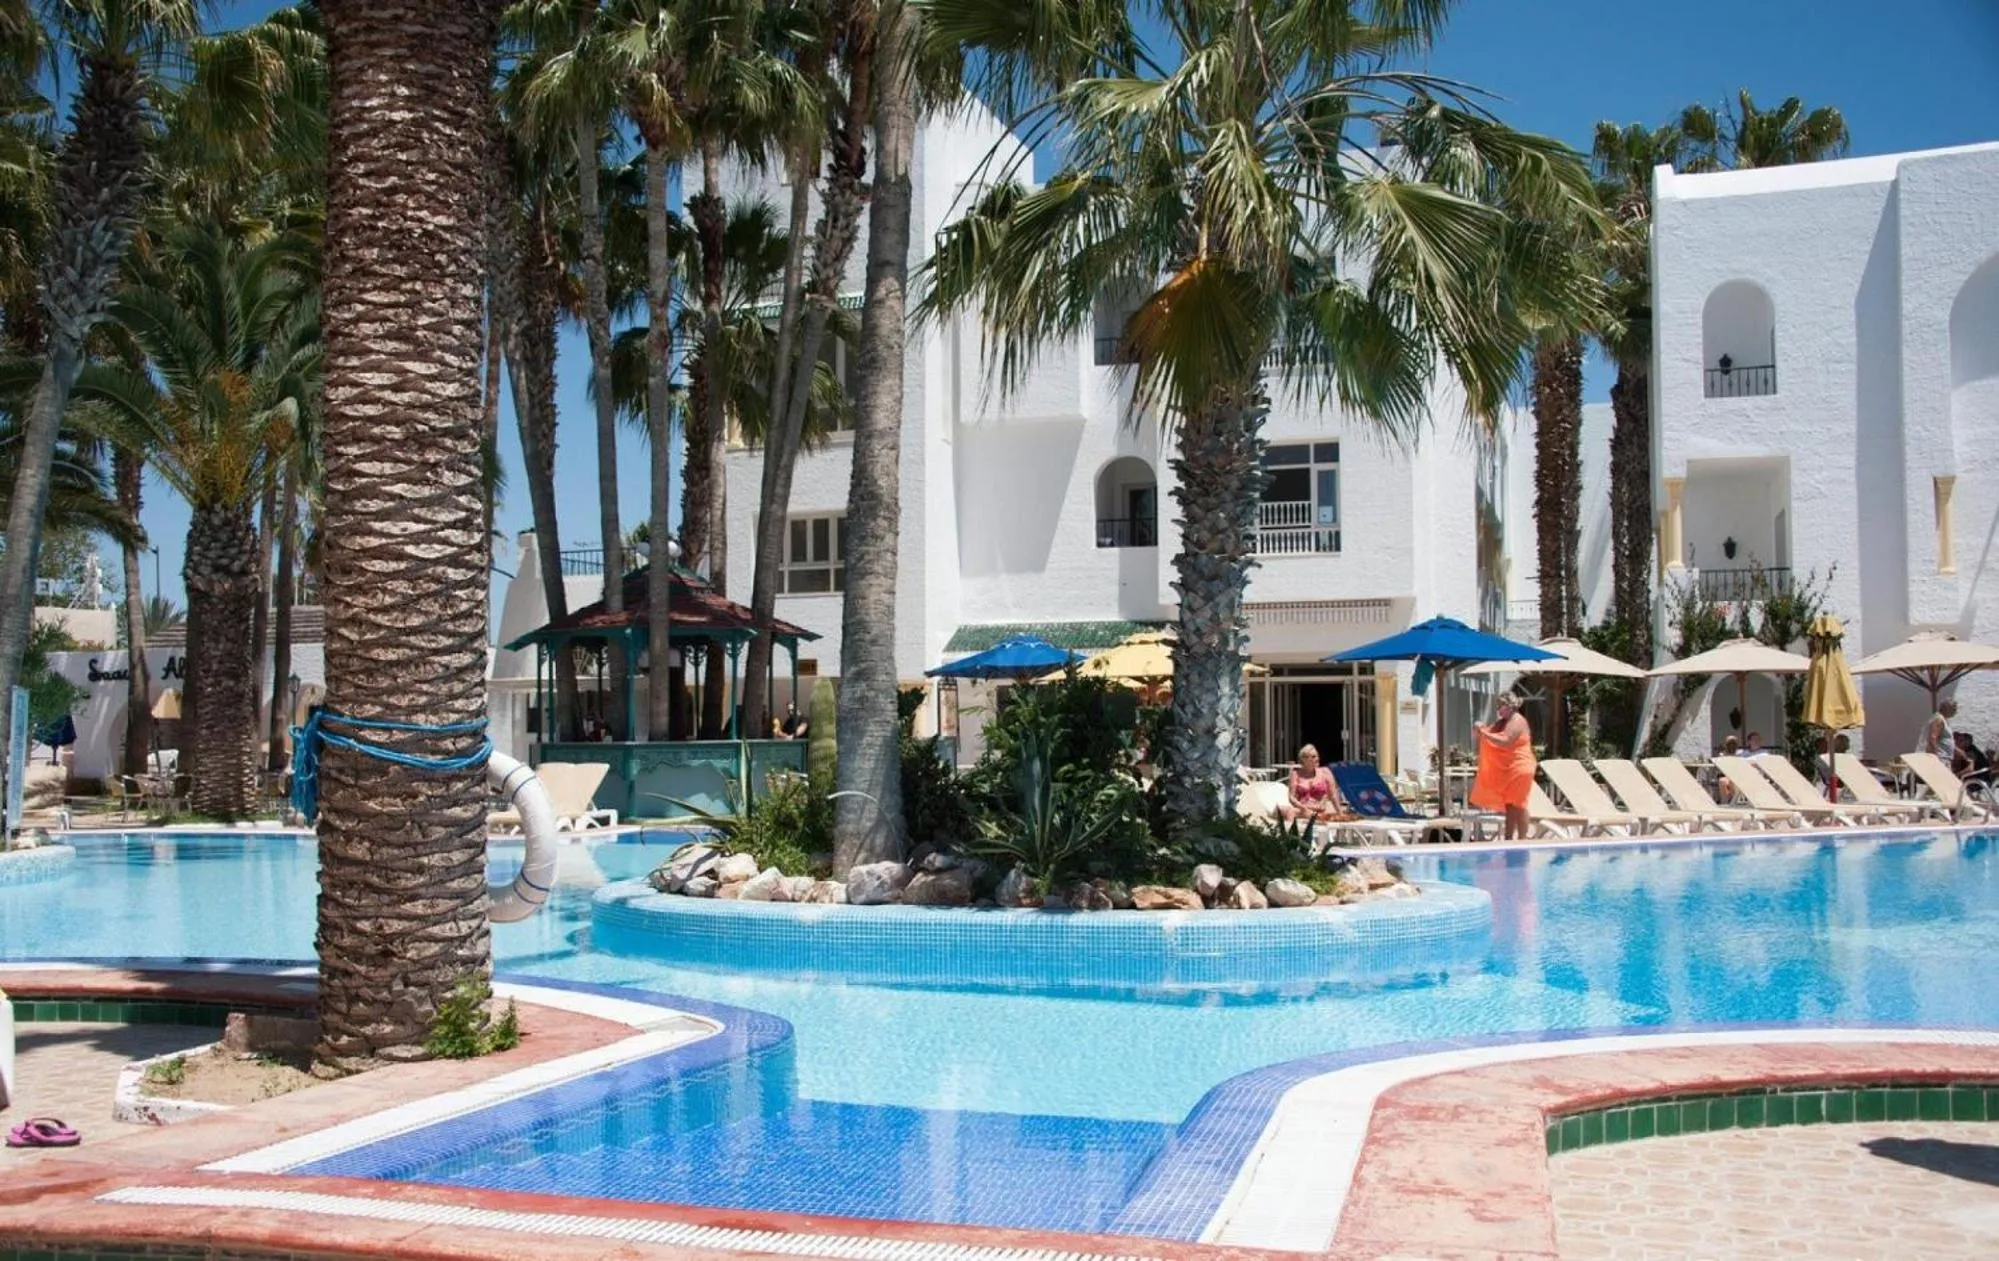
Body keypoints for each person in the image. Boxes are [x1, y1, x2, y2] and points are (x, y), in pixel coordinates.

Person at [1471, 692, 1536, 840]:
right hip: (1510, 767)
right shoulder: (1503, 722)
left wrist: (1484, 734)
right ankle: (1508, 839)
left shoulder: (1518, 720)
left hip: (1521, 766)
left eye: (1501, 706)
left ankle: (1522, 840)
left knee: (1519, 804)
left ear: (1510, 706)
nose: (1498, 710)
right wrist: (1478, 726)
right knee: (1510, 805)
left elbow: (1506, 740)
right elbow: (1486, 731)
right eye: (1498, 706)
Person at [1279, 744, 1345, 825]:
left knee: (1290, 811)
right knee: (1288, 811)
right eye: (1313, 757)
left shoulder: (1325, 772)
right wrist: (1303, 808)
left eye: (1317, 756)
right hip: (1302, 809)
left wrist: (1340, 812)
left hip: (1318, 809)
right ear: (1304, 759)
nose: (1317, 759)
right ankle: (1291, 835)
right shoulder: (1295, 774)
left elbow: (1333, 794)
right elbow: (1291, 797)